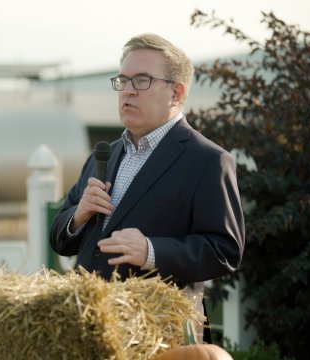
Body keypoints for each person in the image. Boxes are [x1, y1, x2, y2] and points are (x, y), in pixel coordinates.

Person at [49, 33, 245, 343]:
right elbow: (60, 240)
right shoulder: (104, 155)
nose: (127, 91)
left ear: (175, 93)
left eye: (141, 81)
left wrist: (151, 251)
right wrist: (79, 215)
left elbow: (224, 251)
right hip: (87, 331)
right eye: (122, 80)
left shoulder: (208, 161)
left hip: (160, 336)